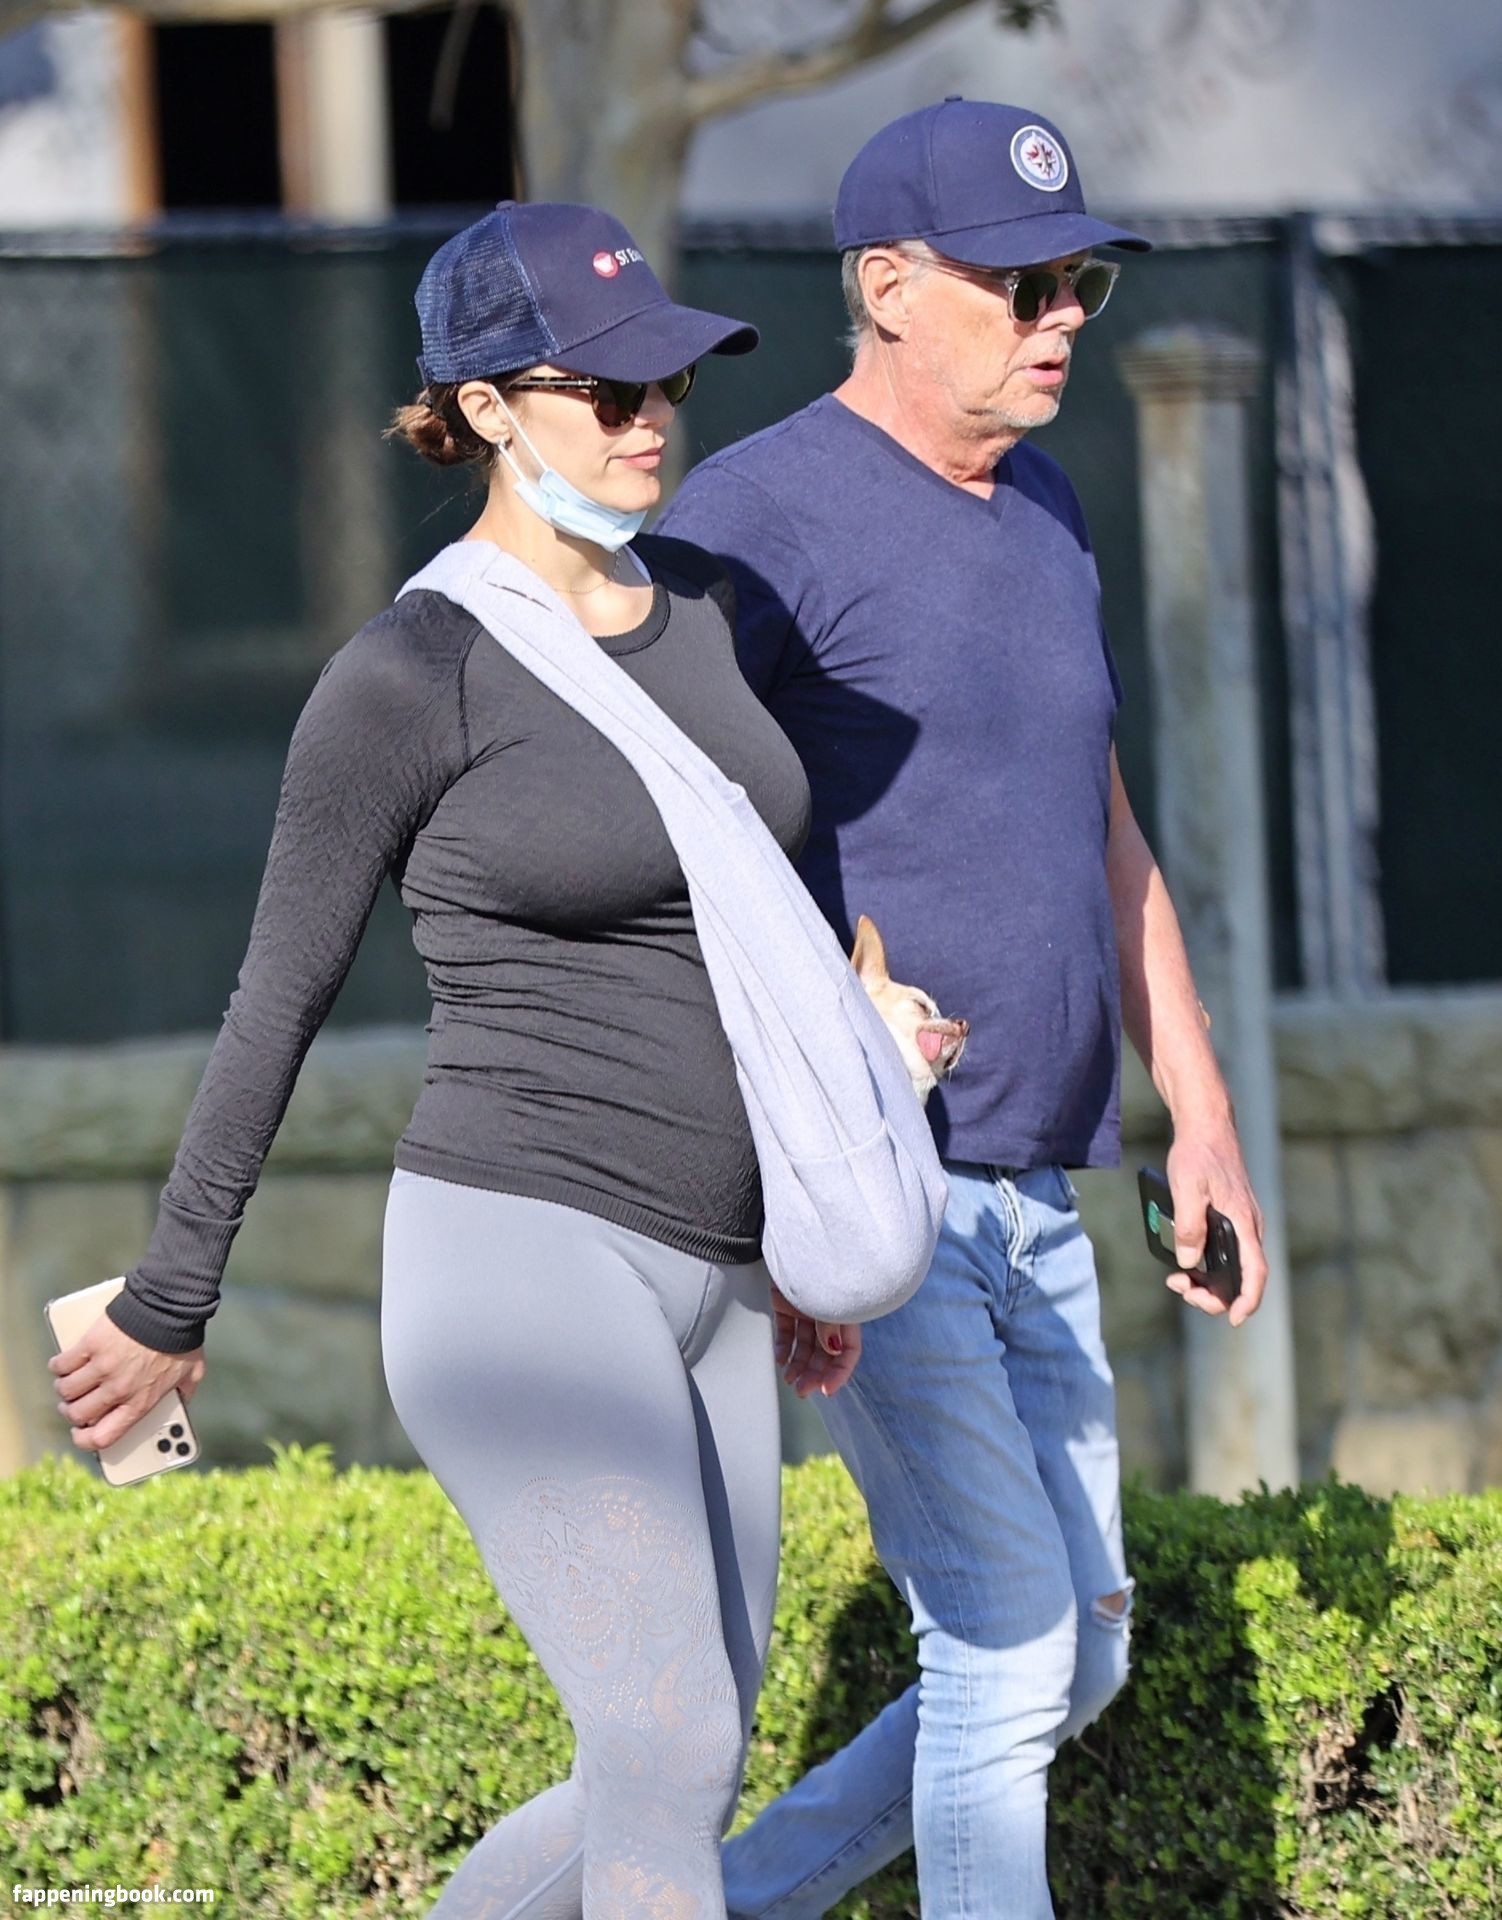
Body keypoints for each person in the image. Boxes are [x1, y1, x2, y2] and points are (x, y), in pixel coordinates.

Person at [47, 199, 865, 1920]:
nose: (651, 422)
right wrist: (171, 1300)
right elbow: (275, 999)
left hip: (726, 1267)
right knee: (662, 1734)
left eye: (669, 385)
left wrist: (811, 1214)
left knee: (680, 1760)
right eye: (606, 392)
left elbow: (762, 925)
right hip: (522, 1250)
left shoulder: (706, 616)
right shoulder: (409, 676)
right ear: (485, 406)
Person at [657, 99, 1271, 1920]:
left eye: (1078, 281)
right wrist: (801, 1077)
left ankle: (718, 1906)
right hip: (881, 1187)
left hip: (1042, 1190)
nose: (1061, 316)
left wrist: (1199, 1115)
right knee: (1004, 1651)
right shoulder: (751, 520)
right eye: (1022, 285)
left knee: (1078, 1654)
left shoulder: (1048, 507)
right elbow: (653, 828)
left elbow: (1103, 828)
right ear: (887, 288)